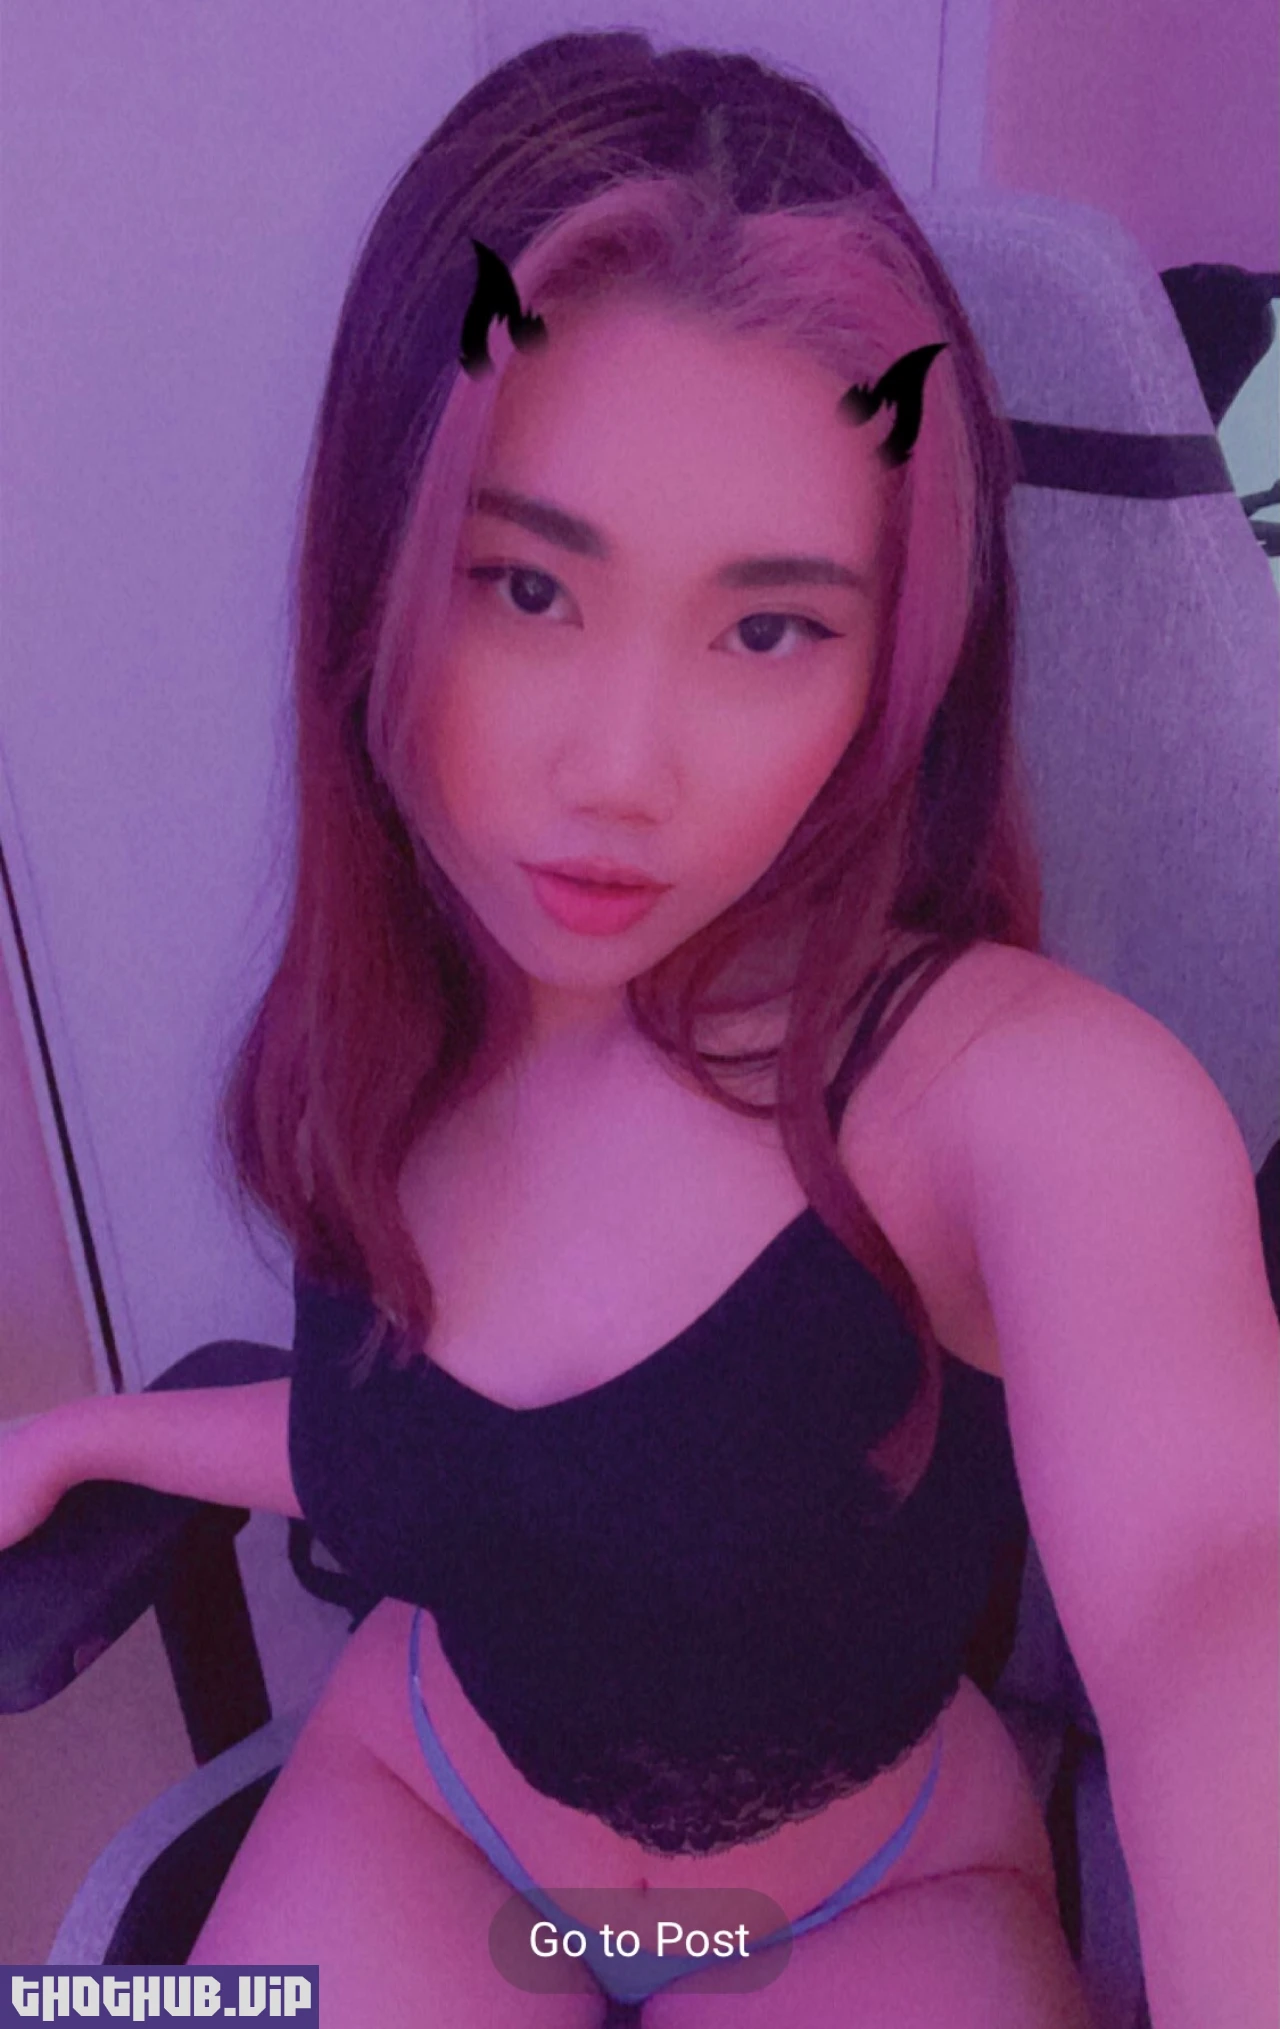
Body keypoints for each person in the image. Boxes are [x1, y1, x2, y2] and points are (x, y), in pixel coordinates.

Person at [4, 30, 1276, 2029]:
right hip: (433, 1815)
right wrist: (89, 1434)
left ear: (891, 668)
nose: (618, 771)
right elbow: (466, 1458)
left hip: (854, 1901)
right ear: (378, 568)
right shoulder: (403, 1022)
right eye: (526, 588)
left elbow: (1223, 1601)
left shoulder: (1022, 1105)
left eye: (768, 629)